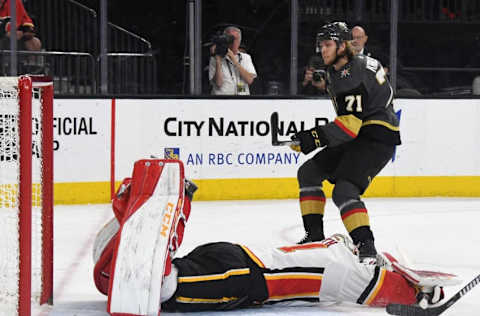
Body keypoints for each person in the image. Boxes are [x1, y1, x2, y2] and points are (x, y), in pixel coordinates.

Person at [93, 169, 445, 314]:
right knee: (165, 286)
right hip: (245, 271)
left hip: (240, 263)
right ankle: (154, 231)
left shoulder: (338, 260)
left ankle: (145, 232)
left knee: (168, 284)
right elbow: (380, 286)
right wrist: (420, 294)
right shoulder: (342, 268)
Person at [290, 22, 401, 264]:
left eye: (328, 45)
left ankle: (367, 249)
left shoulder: (353, 73)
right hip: (360, 130)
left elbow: (349, 127)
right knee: (308, 173)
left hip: (376, 134)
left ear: (342, 46)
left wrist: (313, 137)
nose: (323, 50)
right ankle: (314, 237)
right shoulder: (344, 68)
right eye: (321, 45)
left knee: (345, 190)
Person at [208, 25, 257, 95]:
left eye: (235, 39)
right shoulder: (215, 59)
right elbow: (218, 83)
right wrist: (218, 60)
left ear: (239, 41)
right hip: (222, 100)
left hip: (241, 100)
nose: (233, 42)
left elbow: (250, 80)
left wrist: (234, 60)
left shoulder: (245, 58)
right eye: (230, 39)